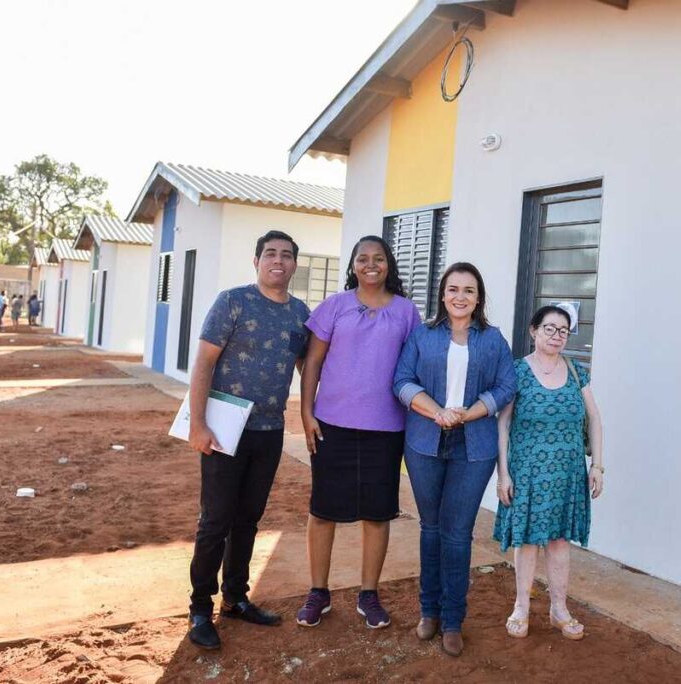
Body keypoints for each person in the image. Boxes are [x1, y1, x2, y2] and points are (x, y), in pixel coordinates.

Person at [185, 230, 311, 650]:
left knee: (248, 520)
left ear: (295, 265)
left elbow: (306, 369)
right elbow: (204, 362)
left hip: (269, 432)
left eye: (287, 255)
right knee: (215, 520)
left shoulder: (299, 314)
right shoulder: (232, 301)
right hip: (225, 427)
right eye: (271, 253)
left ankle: (236, 598)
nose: (279, 260)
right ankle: (200, 607)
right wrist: (198, 423)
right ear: (256, 261)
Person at [295, 235, 421, 630]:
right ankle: (319, 592)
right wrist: (306, 412)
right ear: (352, 265)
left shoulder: (406, 312)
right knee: (323, 511)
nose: (371, 265)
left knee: (377, 513)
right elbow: (312, 362)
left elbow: (414, 365)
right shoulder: (334, 306)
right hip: (332, 424)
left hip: (386, 428)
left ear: (389, 265)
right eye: (363, 259)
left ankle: (369, 594)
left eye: (378, 258)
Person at [393, 262, 517, 656]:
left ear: (478, 297)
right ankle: (428, 611)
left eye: (468, 290)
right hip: (425, 442)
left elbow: (506, 385)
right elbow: (401, 381)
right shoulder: (422, 335)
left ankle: (452, 620)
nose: (460, 297)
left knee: (458, 533)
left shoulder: (493, 339)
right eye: (452, 289)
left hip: (474, 447)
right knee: (431, 528)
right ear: (442, 295)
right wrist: (438, 412)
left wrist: (469, 412)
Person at [492, 305, 604, 641]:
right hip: (527, 472)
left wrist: (597, 464)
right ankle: (521, 607)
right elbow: (504, 424)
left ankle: (559, 609)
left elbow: (595, 419)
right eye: (549, 328)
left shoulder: (575, 371)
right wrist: (503, 474)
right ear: (533, 331)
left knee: (558, 541)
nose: (556, 335)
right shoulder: (517, 372)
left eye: (563, 330)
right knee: (527, 541)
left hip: (567, 473)